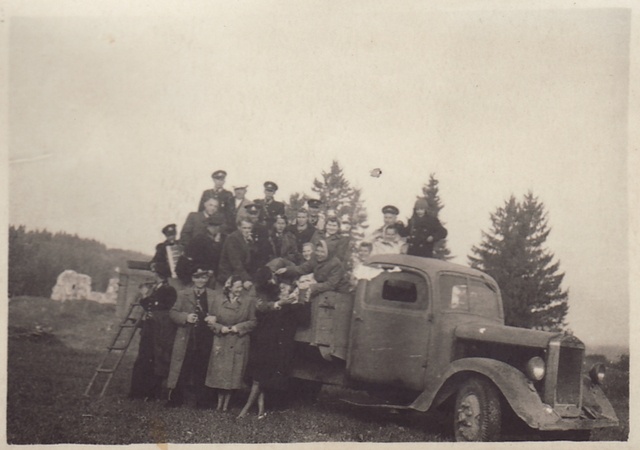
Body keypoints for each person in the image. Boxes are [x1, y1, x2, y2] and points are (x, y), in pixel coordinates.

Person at [238, 270, 311, 419]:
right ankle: (260, 411)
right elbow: (260, 310)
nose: (282, 290)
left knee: (260, 379)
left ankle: (245, 409)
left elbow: (304, 320)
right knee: (258, 378)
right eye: (281, 288)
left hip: (279, 349)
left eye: (286, 289)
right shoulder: (274, 304)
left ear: (292, 291)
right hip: (265, 345)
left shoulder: (295, 307)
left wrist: (304, 300)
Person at [166, 268, 217, 408]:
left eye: (204, 278)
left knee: (203, 368)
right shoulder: (183, 294)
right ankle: (175, 399)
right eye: (197, 277)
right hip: (187, 337)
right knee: (182, 367)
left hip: (206, 337)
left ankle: (202, 402)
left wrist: (215, 318)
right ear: (192, 279)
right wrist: (185, 317)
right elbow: (172, 313)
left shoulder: (214, 295)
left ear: (207, 279)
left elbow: (220, 313)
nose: (200, 281)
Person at [205, 275, 257, 411]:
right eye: (237, 286)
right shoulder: (218, 300)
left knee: (233, 374)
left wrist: (237, 328)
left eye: (241, 287)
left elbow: (253, 321)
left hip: (238, 341)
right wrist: (220, 328)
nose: (240, 289)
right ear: (230, 286)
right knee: (220, 373)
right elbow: (211, 320)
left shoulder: (248, 301)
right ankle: (218, 403)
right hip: (221, 339)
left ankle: (226, 405)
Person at [129, 270, 178, 400]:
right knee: (144, 358)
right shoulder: (155, 289)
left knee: (158, 359)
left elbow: (163, 308)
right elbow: (149, 306)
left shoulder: (169, 290)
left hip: (160, 328)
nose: (154, 277)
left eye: (156, 274)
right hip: (150, 328)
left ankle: (151, 393)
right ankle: (138, 392)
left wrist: (146, 297)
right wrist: (145, 297)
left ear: (160, 276)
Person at [276, 240, 350, 296]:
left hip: (338, 292)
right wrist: (287, 269)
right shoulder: (315, 257)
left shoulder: (336, 264)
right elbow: (303, 269)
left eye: (322, 252)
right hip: (321, 288)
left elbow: (331, 285)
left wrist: (312, 287)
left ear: (329, 252)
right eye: (317, 251)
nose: (319, 254)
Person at [178, 213, 226, 287]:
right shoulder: (201, 239)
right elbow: (210, 258)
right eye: (218, 227)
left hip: (203, 272)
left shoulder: (207, 237)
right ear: (215, 227)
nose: (219, 229)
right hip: (194, 274)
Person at [217, 218, 256, 289]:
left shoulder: (247, 239)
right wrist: (245, 279)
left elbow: (251, 258)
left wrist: (251, 243)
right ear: (239, 227)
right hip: (229, 274)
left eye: (249, 228)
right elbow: (235, 262)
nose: (247, 230)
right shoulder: (233, 238)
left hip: (240, 272)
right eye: (244, 228)